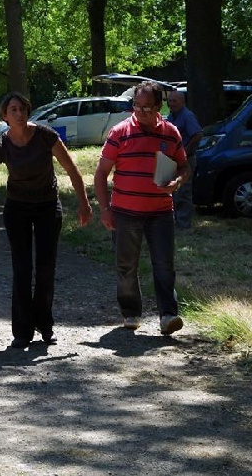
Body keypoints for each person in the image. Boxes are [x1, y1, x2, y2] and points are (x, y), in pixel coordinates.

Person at [0, 92, 93, 348]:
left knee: (45, 268)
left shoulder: (45, 136)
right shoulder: (1, 145)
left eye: (22, 109)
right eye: (13, 110)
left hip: (47, 207)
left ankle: (45, 326)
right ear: (4, 116)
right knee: (21, 269)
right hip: (17, 208)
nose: (19, 114)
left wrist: (84, 204)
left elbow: (72, 170)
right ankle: (22, 331)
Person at [93, 81, 190, 335]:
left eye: (147, 107)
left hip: (160, 212)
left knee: (164, 265)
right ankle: (131, 313)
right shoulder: (120, 132)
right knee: (126, 266)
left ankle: (168, 316)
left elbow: (183, 166)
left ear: (159, 106)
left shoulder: (171, 133)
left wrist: (177, 181)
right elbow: (101, 172)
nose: (141, 111)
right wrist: (105, 208)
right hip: (125, 212)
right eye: (137, 106)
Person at [165, 90, 203, 229]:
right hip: (173, 160)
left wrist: (186, 150)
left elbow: (198, 134)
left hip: (186, 160)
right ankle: (176, 222)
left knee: (183, 192)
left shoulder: (187, 116)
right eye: (169, 101)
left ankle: (184, 225)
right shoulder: (172, 116)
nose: (171, 103)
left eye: (174, 101)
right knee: (174, 191)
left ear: (182, 101)